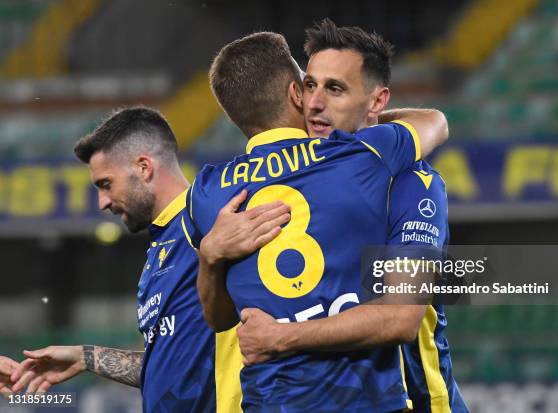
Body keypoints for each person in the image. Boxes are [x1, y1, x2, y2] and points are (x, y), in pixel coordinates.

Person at [202, 20, 468, 412]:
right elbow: (222, 317)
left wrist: (282, 336)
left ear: (377, 102)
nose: (314, 103)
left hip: (420, 400)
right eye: (309, 85)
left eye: (335, 89)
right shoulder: (296, 180)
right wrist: (210, 256)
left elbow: (399, 318)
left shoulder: (412, 182)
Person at [9, 107, 286, 412]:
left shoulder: (210, 222)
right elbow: (168, 369)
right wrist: (86, 357)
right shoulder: (158, 250)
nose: (102, 203)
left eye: (105, 184)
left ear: (143, 167)